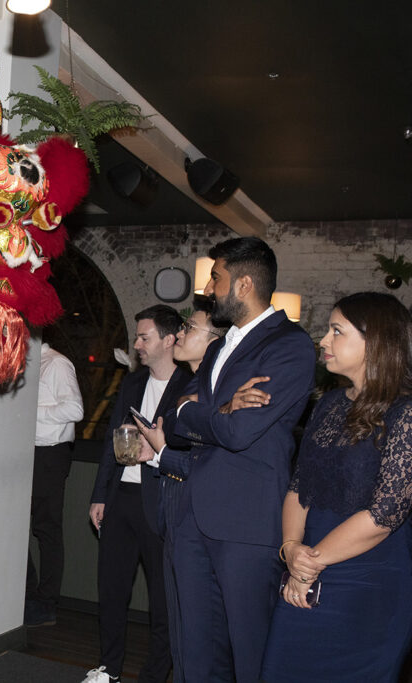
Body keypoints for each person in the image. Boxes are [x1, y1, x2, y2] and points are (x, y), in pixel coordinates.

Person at [171, 236, 315, 682]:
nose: (209, 289)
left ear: (245, 283)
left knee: (250, 652)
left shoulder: (290, 345)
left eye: (216, 278)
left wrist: (202, 414)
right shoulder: (216, 348)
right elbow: (177, 421)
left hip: (246, 523)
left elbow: (238, 431)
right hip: (193, 515)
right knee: (196, 650)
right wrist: (217, 410)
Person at [261, 292, 412, 681]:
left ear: (375, 341)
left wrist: (307, 564)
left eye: (336, 331)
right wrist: (291, 548)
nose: (324, 341)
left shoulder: (406, 413)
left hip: (369, 584)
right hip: (307, 573)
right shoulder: (328, 404)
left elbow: (384, 515)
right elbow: (299, 486)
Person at [84, 305, 191, 683]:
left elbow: (193, 449)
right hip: (120, 500)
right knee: (111, 592)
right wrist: (100, 495)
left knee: (163, 601)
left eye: (144, 337)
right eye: (137, 336)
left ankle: (154, 673)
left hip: (163, 501)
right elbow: (112, 440)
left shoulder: (190, 387)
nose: (137, 344)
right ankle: (108, 669)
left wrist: (159, 452)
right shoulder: (131, 383)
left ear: (169, 339)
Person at [131, 295, 227, 681]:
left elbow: (212, 464)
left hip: (202, 517)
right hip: (173, 512)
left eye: (190, 328)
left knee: (205, 631)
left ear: (216, 341)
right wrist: (158, 448)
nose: (182, 333)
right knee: (182, 624)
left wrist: (160, 451)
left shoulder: (216, 393)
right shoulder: (195, 386)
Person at [25, 337, 84, 627]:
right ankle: (26, 597)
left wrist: (31, 415)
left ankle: (45, 604)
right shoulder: (22, 365)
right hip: (25, 452)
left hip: (50, 454)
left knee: (46, 529)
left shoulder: (57, 363)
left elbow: (76, 410)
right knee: (15, 527)